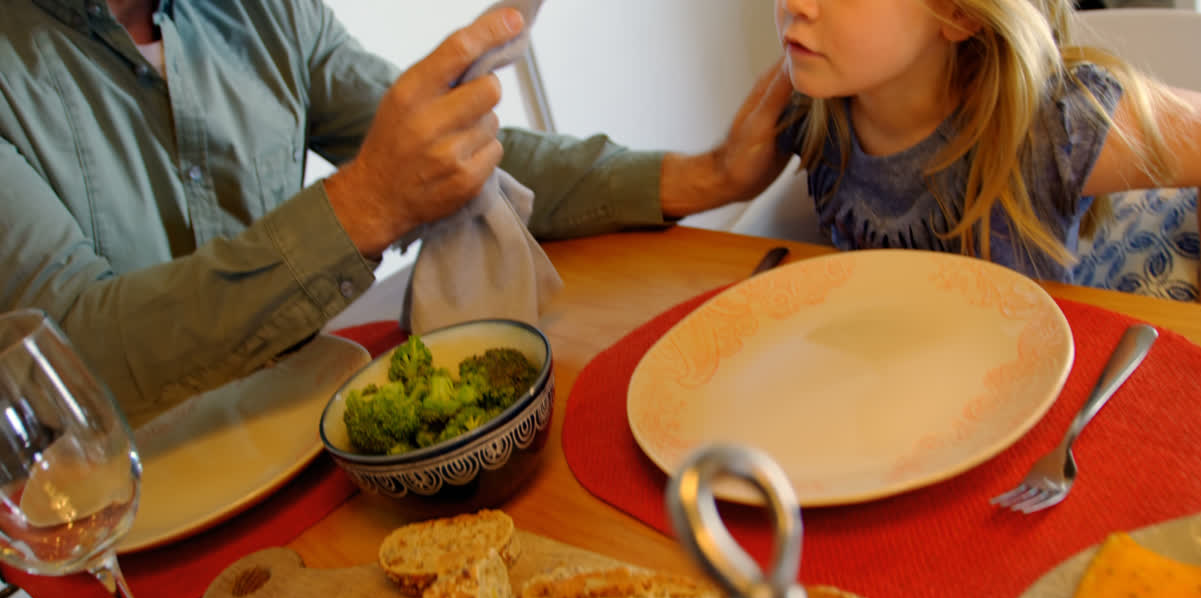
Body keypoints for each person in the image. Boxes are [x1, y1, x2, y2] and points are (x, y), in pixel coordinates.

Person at [0, 0, 794, 424]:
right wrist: (366, 205)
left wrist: (702, 176)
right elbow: (72, 349)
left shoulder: (261, 13)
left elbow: (441, 149)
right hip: (121, 551)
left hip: (311, 453)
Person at [764, 0, 1201, 311]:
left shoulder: (1052, 132)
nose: (796, 6)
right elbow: (702, 186)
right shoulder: (810, 96)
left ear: (958, 14)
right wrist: (720, 171)